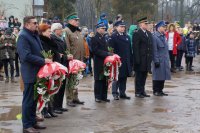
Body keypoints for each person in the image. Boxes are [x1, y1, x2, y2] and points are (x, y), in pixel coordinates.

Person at [17, 16, 52, 133]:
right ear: (27, 24)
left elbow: (39, 51)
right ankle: (27, 125)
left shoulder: (33, 34)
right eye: (34, 23)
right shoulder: (23, 36)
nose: (37, 25)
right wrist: (43, 61)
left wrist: (45, 58)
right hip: (29, 73)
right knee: (28, 101)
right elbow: (25, 56)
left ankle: (32, 122)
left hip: (37, 72)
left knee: (33, 100)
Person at [38, 23, 60, 118]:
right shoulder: (41, 41)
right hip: (46, 68)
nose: (50, 33)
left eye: (51, 31)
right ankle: (44, 109)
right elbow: (43, 54)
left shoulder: (50, 40)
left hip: (53, 67)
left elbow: (56, 51)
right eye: (48, 31)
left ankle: (51, 108)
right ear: (42, 32)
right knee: (45, 88)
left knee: (52, 88)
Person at [63, 13, 85, 107]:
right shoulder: (67, 31)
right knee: (70, 80)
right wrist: (69, 56)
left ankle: (75, 97)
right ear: (70, 21)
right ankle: (69, 99)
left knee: (76, 79)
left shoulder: (77, 31)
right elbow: (66, 45)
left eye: (77, 20)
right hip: (72, 60)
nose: (77, 22)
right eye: (75, 20)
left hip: (79, 60)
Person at [109, 21, 133, 100]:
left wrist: (130, 60)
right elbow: (110, 50)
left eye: (123, 27)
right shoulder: (113, 36)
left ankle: (122, 93)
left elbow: (129, 50)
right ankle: (115, 93)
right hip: (117, 61)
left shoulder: (127, 36)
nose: (123, 28)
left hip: (125, 61)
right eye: (121, 27)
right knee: (117, 77)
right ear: (116, 27)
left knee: (124, 77)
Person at [51, 23, 70, 114]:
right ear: (55, 30)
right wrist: (66, 57)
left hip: (64, 65)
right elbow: (57, 55)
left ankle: (60, 105)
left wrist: (67, 56)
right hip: (58, 66)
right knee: (57, 86)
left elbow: (64, 52)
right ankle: (55, 107)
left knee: (62, 86)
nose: (62, 30)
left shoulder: (61, 39)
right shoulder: (53, 39)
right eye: (60, 29)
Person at [91, 22, 112, 103]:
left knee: (105, 79)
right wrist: (106, 53)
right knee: (98, 80)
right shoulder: (94, 38)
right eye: (102, 28)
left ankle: (104, 96)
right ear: (97, 29)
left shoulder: (105, 38)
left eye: (104, 28)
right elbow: (95, 50)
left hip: (106, 62)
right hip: (98, 62)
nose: (104, 30)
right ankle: (97, 96)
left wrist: (110, 53)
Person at [132, 17, 153, 98]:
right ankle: (138, 92)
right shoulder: (137, 33)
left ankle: (142, 91)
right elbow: (135, 47)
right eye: (145, 24)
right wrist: (137, 59)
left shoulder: (148, 33)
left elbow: (150, 46)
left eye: (147, 24)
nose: (146, 25)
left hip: (147, 59)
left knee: (144, 76)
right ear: (140, 24)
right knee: (139, 76)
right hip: (140, 58)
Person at [152, 20, 171, 96]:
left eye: (165, 27)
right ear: (159, 28)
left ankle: (160, 90)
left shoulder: (163, 36)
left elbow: (166, 49)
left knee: (163, 76)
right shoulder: (155, 37)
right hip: (158, 60)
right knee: (157, 76)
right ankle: (156, 91)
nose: (165, 28)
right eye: (163, 27)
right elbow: (154, 50)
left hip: (164, 59)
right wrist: (156, 60)